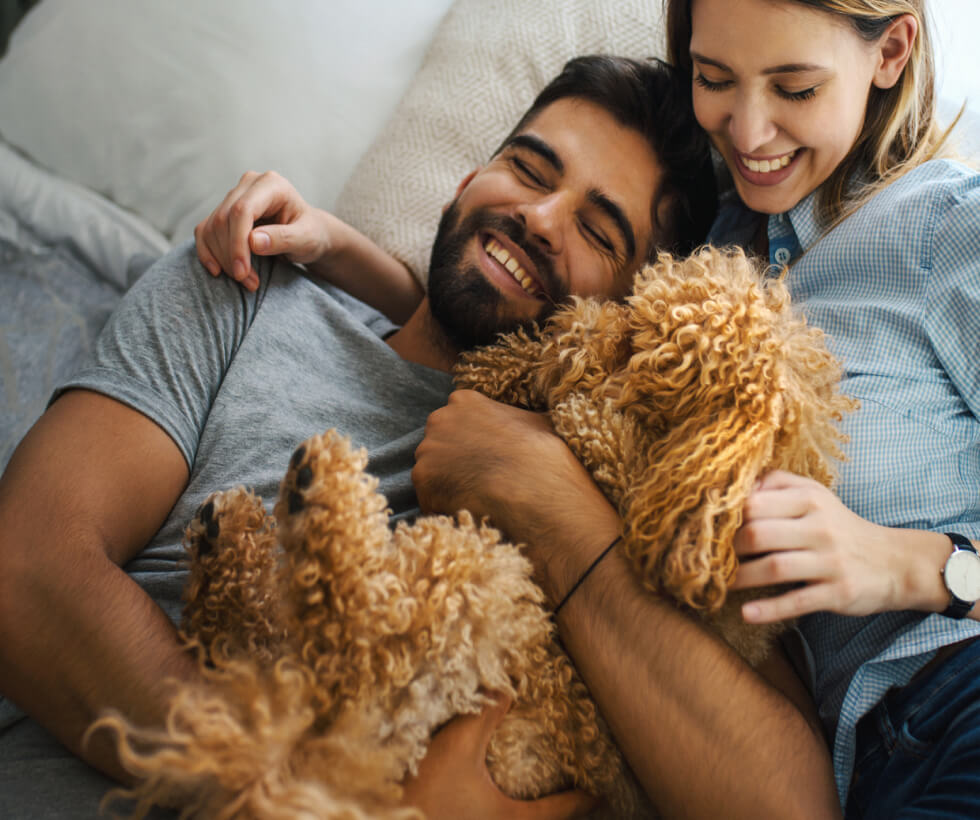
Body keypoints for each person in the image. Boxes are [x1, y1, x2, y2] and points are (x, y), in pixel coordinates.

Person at [0, 55, 716, 819]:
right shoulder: (240, 285)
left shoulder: (582, 517)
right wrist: (288, 801)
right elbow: (25, 567)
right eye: (530, 171)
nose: (539, 219)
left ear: (624, 320)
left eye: (598, 232)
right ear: (467, 180)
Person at [412, 1, 980, 818]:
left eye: (794, 88)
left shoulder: (945, 227)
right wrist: (354, 269)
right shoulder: (713, 225)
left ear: (890, 50)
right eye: (714, 79)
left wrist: (907, 564)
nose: (748, 132)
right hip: (858, 767)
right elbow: (552, 321)